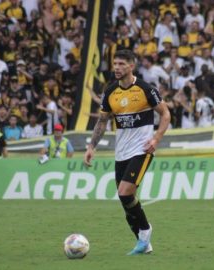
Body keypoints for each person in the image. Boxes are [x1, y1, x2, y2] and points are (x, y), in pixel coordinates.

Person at [83, 49, 171, 255]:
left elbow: (165, 114)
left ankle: (146, 230)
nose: (117, 67)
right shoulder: (111, 91)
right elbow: (102, 121)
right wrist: (91, 147)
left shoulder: (145, 89)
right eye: (115, 63)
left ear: (132, 66)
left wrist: (156, 139)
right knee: (126, 201)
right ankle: (144, 244)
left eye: (122, 64)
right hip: (121, 153)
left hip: (142, 150)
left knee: (125, 192)